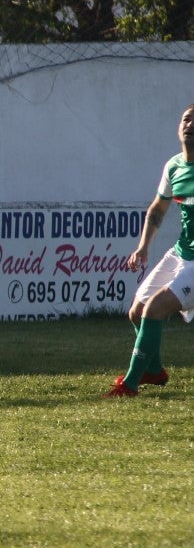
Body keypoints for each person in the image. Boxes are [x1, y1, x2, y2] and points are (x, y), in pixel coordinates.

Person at [105, 103, 194, 396]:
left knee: (155, 309)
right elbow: (157, 209)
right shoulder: (174, 166)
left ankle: (129, 385)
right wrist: (143, 247)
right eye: (186, 118)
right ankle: (154, 371)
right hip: (182, 252)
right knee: (137, 311)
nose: (189, 124)